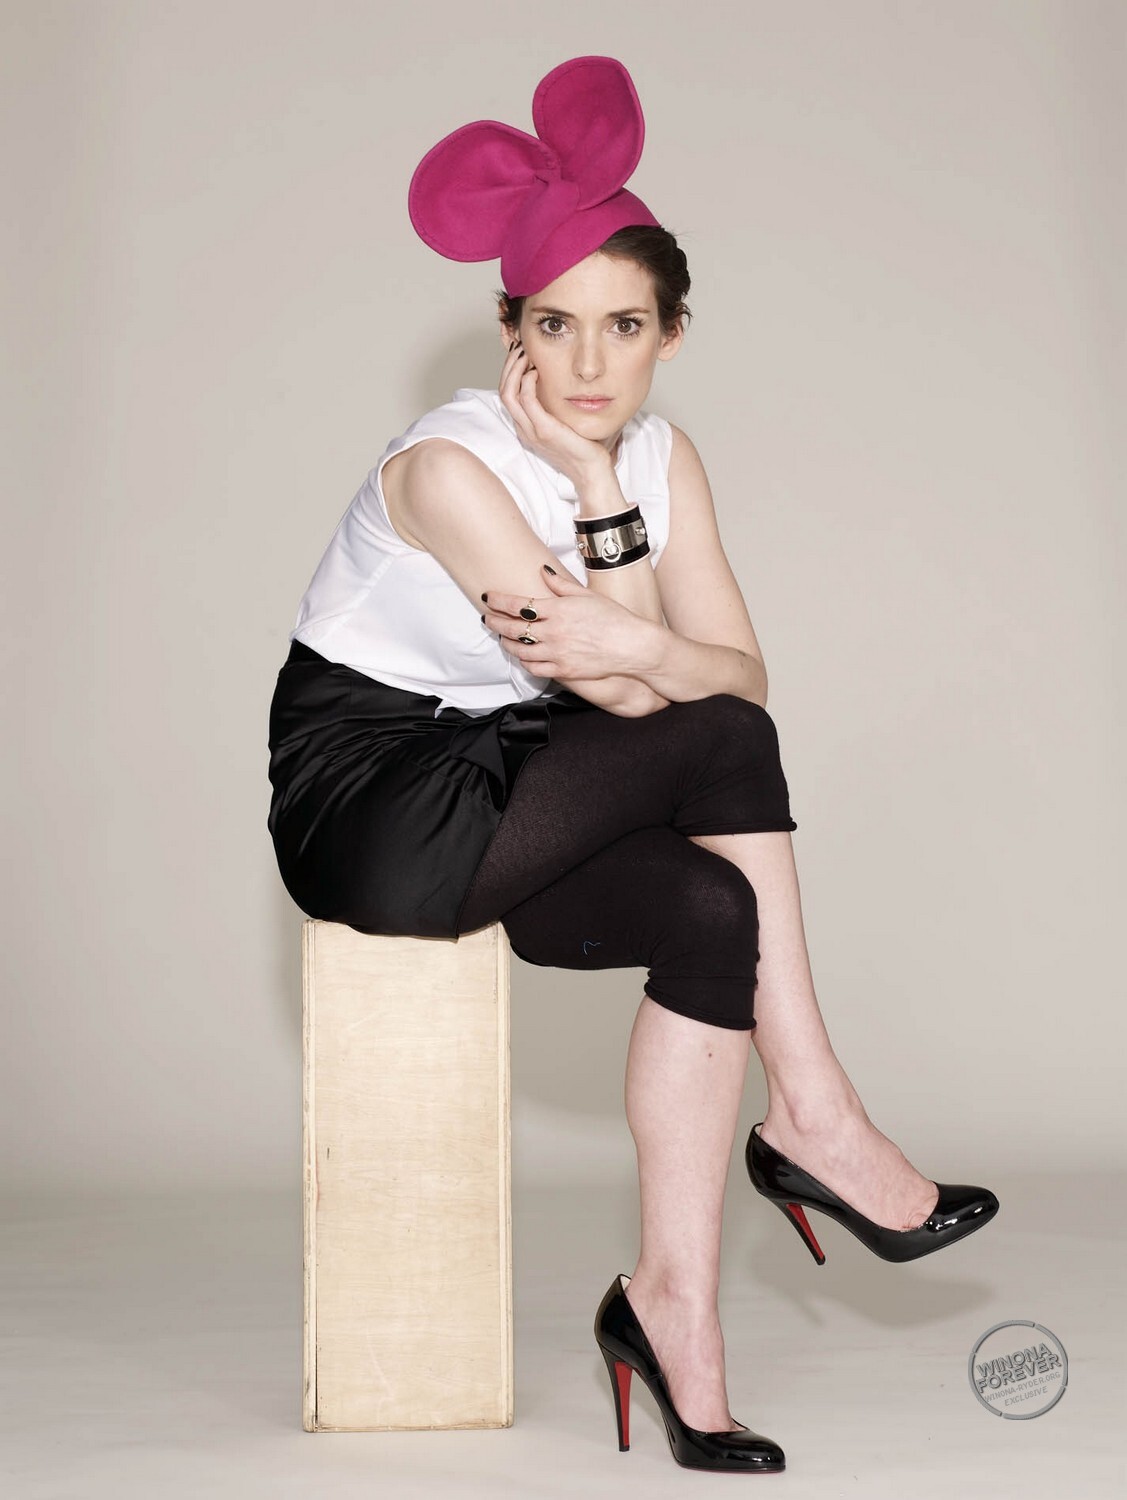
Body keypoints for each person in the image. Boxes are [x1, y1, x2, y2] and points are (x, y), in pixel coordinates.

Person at [267, 56, 999, 1474]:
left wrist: (619, 531)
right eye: (556, 326)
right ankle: (820, 1117)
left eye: (624, 327)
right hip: (375, 795)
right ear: (510, 335)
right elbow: (645, 691)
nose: (590, 367)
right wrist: (629, 596)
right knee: (717, 736)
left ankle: (674, 1314)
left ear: (671, 334)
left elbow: (739, 670)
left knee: (714, 908)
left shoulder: (665, 460)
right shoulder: (450, 469)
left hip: (525, 777)